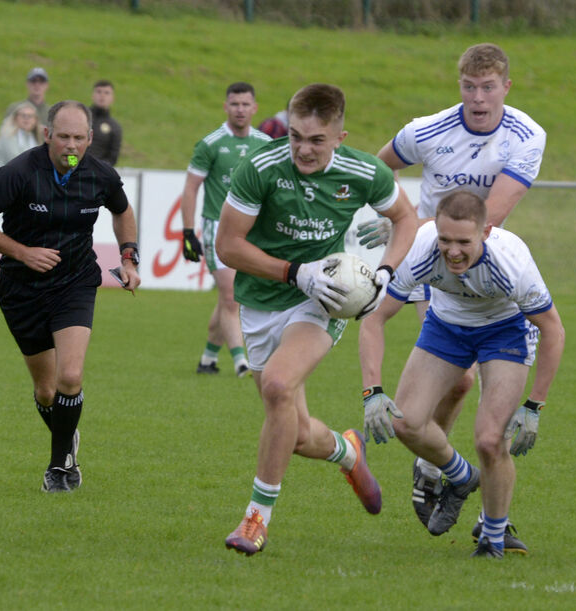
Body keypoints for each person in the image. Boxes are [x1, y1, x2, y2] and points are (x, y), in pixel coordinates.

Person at [216, 83, 419, 556]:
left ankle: (254, 520)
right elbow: (228, 246)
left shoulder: (364, 171)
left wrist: (385, 273)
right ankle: (347, 451)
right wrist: (294, 272)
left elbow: (405, 219)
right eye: (296, 136)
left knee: (278, 387)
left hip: (323, 299)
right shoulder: (261, 169)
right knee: (296, 431)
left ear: (340, 137)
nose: (304, 149)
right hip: (262, 299)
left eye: (317, 140)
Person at [356, 42, 545, 550]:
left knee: (483, 420)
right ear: (458, 85)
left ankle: (470, 499)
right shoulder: (428, 130)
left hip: (479, 255)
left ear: (507, 86)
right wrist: (390, 218)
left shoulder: (526, 136)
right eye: (469, 86)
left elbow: (493, 217)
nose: (478, 97)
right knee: (456, 380)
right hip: (436, 260)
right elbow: (377, 170)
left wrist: (411, 227)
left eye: (488, 87)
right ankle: (441, 470)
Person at [360, 190, 565, 558]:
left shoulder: (510, 262)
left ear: (486, 231)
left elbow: (553, 329)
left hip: (505, 331)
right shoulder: (420, 250)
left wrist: (535, 406)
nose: (453, 251)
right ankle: (460, 476)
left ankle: (493, 538)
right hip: (447, 327)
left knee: (490, 440)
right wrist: (372, 390)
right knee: (405, 423)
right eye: (445, 239)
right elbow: (374, 317)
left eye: (463, 242)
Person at [0, 100, 141, 493]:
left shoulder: (100, 175)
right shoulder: (18, 172)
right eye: (63, 136)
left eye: (79, 137)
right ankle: (67, 438)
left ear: (91, 138)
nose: (71, 145)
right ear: (47, 135)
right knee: (46, 391)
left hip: (75, 283)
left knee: (71, 376)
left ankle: (60, 467)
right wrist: (22, 252)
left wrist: (129, 259)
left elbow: (123, 211)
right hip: (20, 289)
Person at [180, 82, 271, 377]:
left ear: (255, 108)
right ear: (226, 107)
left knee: (226, 299)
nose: (240, 109)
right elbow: (191, 189)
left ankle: (208, 358)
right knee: (232, 296)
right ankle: (242, 362)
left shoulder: (265, 143)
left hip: (252, 230)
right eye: (235, 104)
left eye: (245, 104)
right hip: (216, 228)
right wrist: (187, 231)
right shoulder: (210, 144)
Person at [0, 101, 44, 165]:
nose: (26, 118)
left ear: (36, 120)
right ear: (15, 118)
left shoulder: (35, 138)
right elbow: (16, 159)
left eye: (30, 116)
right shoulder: (7, 136)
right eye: (23, 115)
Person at [87, 80, 123, 166]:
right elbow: (69, 147)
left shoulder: (115, 127)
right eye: (99, 92)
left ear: (112, 98)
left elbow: (113, 158)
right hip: (73, 173)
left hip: (96, 175)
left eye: (107, 93)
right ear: (93, 95)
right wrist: (72, 167)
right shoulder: (79, 118)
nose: (102, 96)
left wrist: (96, 171)